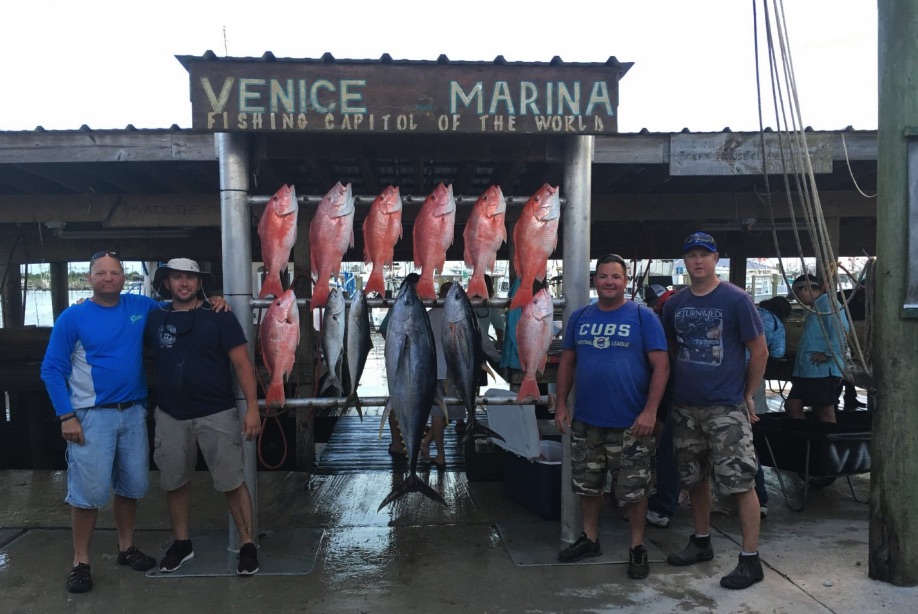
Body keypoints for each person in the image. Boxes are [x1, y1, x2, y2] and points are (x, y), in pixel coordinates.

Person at [40, 251, 160, 593]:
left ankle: (126, 547)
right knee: (87, 494)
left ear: (124, 278)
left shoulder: (140, 307)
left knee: (131, 486)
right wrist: (67, 416)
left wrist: (212, 301)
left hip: (133, 412)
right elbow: (51, 369)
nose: (109, 278)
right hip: (91, 417)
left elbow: (179, 310)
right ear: (90, 278)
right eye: (101, 273)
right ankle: (81, 561)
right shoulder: (72, 318)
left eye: (115, 273)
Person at [661, 232, 768, 590]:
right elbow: (671, 348)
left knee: (740, 482)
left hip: (726, 407)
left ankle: (750, 559)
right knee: (693, 479)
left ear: (716, 258)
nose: (697, 262)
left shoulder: (737, 300)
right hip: (685, 407)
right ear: (685, 261)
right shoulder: (675, 303)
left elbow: (759, 350)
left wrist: (748, 394)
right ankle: (701, 540)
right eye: (691, 255)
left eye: (704, 255)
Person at [554, 254, 669, 580]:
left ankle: (636, 546)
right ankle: (590, 539)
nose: (608, 282)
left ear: (625, 281)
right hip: (588, 421)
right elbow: (567, 363)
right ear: (595, 280)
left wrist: (650, 411)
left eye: (615, 277)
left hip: (632, 423)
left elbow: (662, 365)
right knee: (587, 486)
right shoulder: (579, 317)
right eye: (603, 276)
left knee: (635, 490)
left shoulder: (643, 316)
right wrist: (561, 405)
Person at [145, 258, 261, 575]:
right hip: (170, 414)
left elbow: (242, 364)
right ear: (166, 283)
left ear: (200, 283)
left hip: (217, 412)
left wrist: (252, 408)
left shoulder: (220, 316)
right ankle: (182, 543)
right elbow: (116, 311)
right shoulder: (154, 318)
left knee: (231, 481)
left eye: (190, 278)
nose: (184, 283)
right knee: (174, 480)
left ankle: (248, 544)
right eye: (177, 277)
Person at [785, 274, 851, 423]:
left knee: (824, 410)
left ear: (806, 288)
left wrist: (829, 354)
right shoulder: (818, 306)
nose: (796, 299)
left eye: (797, 294)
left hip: (822, 370)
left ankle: (829, 445)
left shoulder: (827, 303)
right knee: (793, 405)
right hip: (809, 370)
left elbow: (841, 329)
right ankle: (807, 440)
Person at [751, 296, 792, 518]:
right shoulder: (775, 323)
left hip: (722, 378)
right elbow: (777, 353)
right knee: (751, 440)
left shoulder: (746, 312)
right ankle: (760, 499)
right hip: (752, 379)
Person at [420, 281, 463, 468]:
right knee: (454, 411)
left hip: (432, 371)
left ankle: (429, 443)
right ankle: (440, 454)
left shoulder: (428, 316)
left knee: (441, 413)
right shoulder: (459, 316)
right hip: (453, 371)